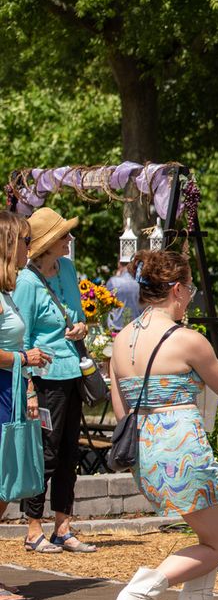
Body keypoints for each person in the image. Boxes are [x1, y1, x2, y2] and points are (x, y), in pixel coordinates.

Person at [110, 250, 218, 600]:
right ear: (176, 289)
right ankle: (140, 592)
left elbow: (121, 410)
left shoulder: (121, 340)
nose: (190, 296)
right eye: (188, 289)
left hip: (144, 452)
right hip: (184, 453)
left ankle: (197, 597)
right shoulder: (188, 340)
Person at [13, 207, 95, 554]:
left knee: (68, 452)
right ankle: (33, 528)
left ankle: (63, 524)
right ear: (47, 244)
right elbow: (22, 337)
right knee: (44, 452)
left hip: (73, 370)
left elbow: (76, 316)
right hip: (45, 378)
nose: (70, 240)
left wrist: (81, 327)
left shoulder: (69, 268)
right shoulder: (27, 282)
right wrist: (30, 387)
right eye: (64, 235)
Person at [0, 212, 54, 599]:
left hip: (13, 391)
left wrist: (29, 387)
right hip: (1, 392)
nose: (27, 248)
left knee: (4, 487)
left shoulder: (7, 293)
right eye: (22, 240)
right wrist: (24, 361)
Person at [107, 258, 142, 331]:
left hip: (116, 328)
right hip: (136, 328)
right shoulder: (140, 283)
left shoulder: (114, 281)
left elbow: (106, 304)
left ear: (119, 264)